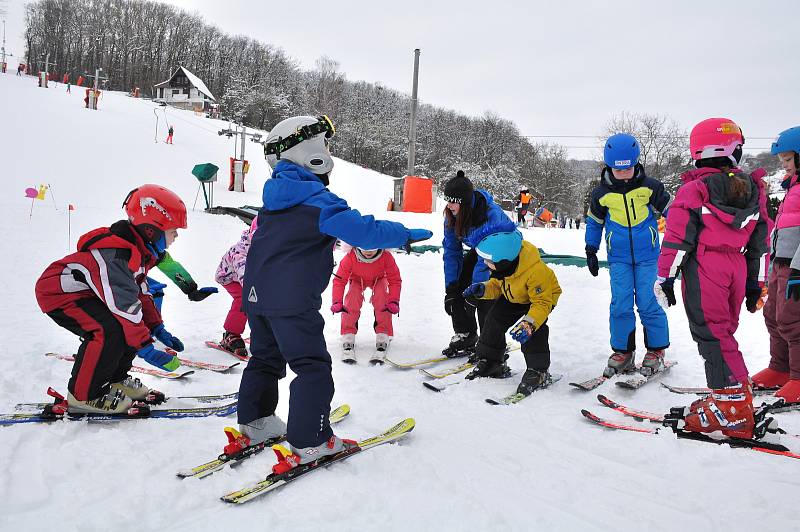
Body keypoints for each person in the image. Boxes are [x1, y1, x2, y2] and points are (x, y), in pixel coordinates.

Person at [232, 115, 432, 470]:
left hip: (256, 298)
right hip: (291, 301)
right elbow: (364, 232)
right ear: (309, 152)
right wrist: (404, 234)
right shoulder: (317, 201)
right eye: (325, 144)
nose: (328, 152)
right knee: (312, 367)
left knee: (265, 359)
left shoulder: (273, 200)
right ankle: (311, 441)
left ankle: (256, 423)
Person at [656, 117, 769, 438]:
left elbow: (677, 239)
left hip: (705, 267)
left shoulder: (695, 189)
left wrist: (665, 277)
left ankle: (732, 408)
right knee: (724, 332)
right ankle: (731, 393)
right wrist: (754, 282)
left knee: (712, 335)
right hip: (736, 266)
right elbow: (761, 243)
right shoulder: (753, 189)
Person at [34, 185, 188, 414]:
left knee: (126, 327)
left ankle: (114, 379)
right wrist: (146, 349)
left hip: (89, 294)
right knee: (107, 330)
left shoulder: (137, 252)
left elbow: (139, 294)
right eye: (173, 230)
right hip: (60, 294)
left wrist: (157, 327)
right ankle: (84, 396)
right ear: (151, 231)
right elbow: (124, 307)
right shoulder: (115, 256)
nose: (176, 236)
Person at [585, 133, 671, 377]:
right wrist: (591, 249)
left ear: (636, 163)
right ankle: (623, 352)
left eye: (628, 169)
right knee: (620, 303)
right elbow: (594, 223)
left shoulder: (650, 187)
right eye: (617, 169)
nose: (623, 174)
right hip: (619, 258)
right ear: (608, 166)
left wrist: (681, 240)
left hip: (649, 256)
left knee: (649, 301)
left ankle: (656, 350)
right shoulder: (601, 193)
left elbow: (672, 211)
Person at [462, 228, 561, 396]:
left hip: (541, 299)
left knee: (533, 330)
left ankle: (538, 371)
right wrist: (483, 289)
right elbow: (497, 285)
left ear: (503, 261)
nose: (486, 264)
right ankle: (492, 361)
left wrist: (530, 323)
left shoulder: (535, 271)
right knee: (493, 319)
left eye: (488, 261)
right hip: (515, 296)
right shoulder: (505, 268)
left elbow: (542, 303)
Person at [442, 170, 516, 359]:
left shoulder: (490, 215)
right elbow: (452, 252)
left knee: (485, 295)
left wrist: (477, 288)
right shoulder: (451, 216)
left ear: (464, 203)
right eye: (447, 200)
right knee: (457, 287)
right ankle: (466, 333)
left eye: (453, 201)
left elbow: (487, 260)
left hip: (503, 256)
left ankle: (490, 340)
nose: (449, 206)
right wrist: (451, 288)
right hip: (480, 252)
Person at [753, 126, 800, 402]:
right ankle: (780, 368)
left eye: (787, 160)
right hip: (781, 263)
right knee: (773, 316)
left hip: (796, 267)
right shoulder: (791, 187)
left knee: (794, 321)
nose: (783, 166)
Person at [331, 246, 401, 364]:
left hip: (379, 278)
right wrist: (337, 301)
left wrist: (394, 301)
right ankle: (348, 335)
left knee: (382, 297)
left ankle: (383, 335)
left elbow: (395, 280)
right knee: (353, 297)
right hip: (357, 279)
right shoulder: (350, 257)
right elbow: (339, 280)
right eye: (364, 248)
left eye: (373, 247)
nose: (368, 251)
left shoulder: (386, 257)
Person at [214, 217, 259, 358]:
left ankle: (264, 332)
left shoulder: (267, 247)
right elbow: (244, 274)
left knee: (262, 299)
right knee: (244, 299)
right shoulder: (242, 253)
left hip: (251, 277)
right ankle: (230, 334)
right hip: (229, 277)